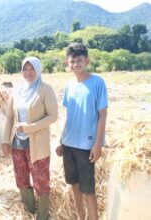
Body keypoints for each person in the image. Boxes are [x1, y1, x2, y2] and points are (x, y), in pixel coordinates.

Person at [56, 43, 108, 220]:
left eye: (79, 60)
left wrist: (98, 144)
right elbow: (69, 116)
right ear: (67, 63)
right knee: (74, 186)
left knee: (88, 190)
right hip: (69, 144)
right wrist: (61, 141)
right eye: (72, 61)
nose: (76, 64)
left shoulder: (97, 83)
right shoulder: (69, 86)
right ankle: (80, 217)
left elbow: (102, 115)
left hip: (86, 145)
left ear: (87, 61)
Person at [2, 57, 58, 219]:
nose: (28, 73)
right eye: (25, 69)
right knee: (21, 177)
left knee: (41, 180)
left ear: (38, 70)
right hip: (18, 143)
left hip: (37, 144)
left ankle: (42, 216)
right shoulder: (17, 90)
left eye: (32, 69)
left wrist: (31, 128)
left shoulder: (45, 89)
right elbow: (10, 117)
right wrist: (6, 141)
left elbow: (52, 116)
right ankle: (29, 212)